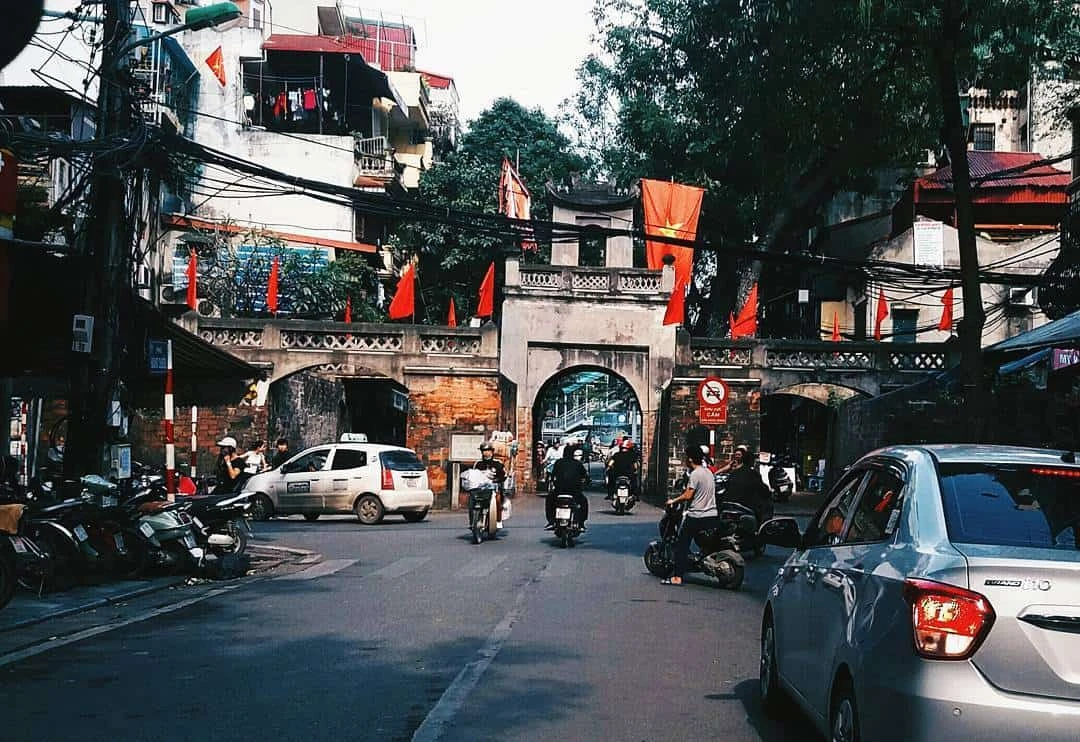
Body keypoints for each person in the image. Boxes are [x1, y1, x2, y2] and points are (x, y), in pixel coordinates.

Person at [662, 446, 722, 586]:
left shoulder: (695, 474)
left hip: (697, 515)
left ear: (689, 459)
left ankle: (677, 577)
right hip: (712, 514)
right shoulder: (708, 472)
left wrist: (673, 500)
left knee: (681, 545)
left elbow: (688, 495)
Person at [546, 444, 590, 530]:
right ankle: (581, 523)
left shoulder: (558, 463)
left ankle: (551, 521)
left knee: (549, 501)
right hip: (574, 492)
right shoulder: (577, 464)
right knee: (584, 502)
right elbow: (585, 477)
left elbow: (553, 476)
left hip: (559, 491)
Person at [473, 441, 507, 531]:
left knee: (498, 499)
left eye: (488, 450)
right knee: (472, 499)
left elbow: (504, 475)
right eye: (484, 451)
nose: (486, 453)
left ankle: (498, 520)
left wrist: (497, 480)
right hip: (481, 488)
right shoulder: (478, 464)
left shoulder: (498, 464)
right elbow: (473, 475)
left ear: (492, 452)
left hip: (494, 488)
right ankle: (472, 521)